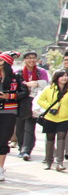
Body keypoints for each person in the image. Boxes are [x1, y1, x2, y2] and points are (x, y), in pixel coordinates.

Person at [35, 70, 68, 171]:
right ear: (56, 78)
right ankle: (48, 161)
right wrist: (50, 107)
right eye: (61, 76)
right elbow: (40, 100)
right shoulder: (49, 89)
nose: (64, 78)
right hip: (50, 118)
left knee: (61, 139)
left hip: (64, 118)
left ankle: (60, 163)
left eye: (66, 76)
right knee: (50, 139)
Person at [15, 50, 49, 161]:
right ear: (24, 60)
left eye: (33, 58)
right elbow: (15, 86)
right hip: (21, 102)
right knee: (19, 127)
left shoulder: (41, 72)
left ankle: (26, 151)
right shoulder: (18, 73)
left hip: (34, 102)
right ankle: (21, 148)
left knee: (29, 126)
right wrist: (27, 84)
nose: (31, 60)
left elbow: (44, 85)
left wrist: (35, 84)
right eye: (29, 58)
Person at [0, 52, 28, 182]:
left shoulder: (16, 77)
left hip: (9, 112)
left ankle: (0, 168)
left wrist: (9, 96)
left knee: (3, 140)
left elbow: (24, 92)